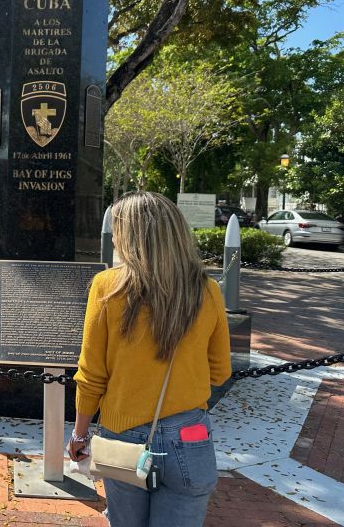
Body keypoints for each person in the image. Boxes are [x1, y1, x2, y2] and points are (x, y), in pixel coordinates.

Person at [68, 191, 231, 527]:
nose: (113, 236)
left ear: (129, 236)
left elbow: (91, 374)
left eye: (117, 230)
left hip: (122, 434)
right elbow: (219, 373)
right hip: (190, 434)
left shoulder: (108, 287)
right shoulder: (207, 289)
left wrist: (80, 435)